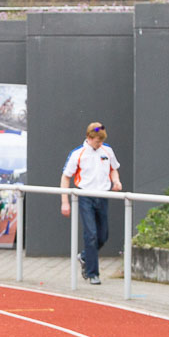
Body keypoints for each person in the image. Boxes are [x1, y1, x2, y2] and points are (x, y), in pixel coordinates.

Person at [60, 122, 121, 285]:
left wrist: (116, 181)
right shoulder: (77, 154)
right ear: (89, 138)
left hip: (102, 196)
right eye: (97, 141)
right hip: (85, 196)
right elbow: (66, 177)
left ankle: (85, 256)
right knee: (91, 234)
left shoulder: (107, 150)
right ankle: (92, 273)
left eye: (101, 141)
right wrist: (64, 202)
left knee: (103, 235)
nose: (99, 144)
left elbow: (114, 168)